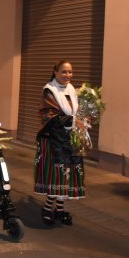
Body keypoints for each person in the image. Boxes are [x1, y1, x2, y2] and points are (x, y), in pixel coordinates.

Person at [34, 60, 84, 226]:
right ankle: (48, 208)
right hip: (54, 141)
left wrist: (85, 119)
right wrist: (73, 121)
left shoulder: (72, 91)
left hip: (70, 140)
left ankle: (60, 209)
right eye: (64, 72)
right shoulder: (49, 90)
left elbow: (78, 113)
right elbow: (48, 115)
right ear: (55, 72)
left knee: (68, 177)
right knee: (58, 175)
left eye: (70, 72)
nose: (67, 75)